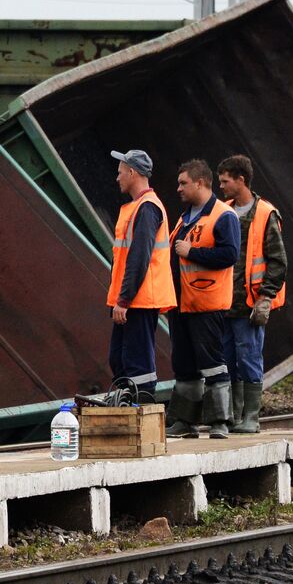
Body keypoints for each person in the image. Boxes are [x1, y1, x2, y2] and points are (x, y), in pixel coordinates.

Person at [166, 159, 240, 438]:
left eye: (183, 183)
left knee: (212, 362)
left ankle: (220, 421)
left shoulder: (223, 216)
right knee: (184, 364)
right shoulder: (186, 217)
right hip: (182, 303)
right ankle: (186, 422)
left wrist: (192, 252)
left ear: (200, 183)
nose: (178, 188)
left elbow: (229, 255)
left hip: (207, 303)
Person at [217, 155, 286, 434]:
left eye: (225, 181)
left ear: (240, 180)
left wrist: (265, 297)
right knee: (227, 360)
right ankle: (234, 416)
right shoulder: (223, 211)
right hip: (224, 303)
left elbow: (278, 261)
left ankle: (251, 417)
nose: (220, 186)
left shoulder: (265, 214)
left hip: (248, 304)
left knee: (248, 359)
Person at [106, 149, 175, 404]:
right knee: (120, 358)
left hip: (140, 299)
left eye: (121, 172)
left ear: (133, 172)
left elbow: (139, 258)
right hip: (134, 298)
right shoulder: (138, 207)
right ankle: (129, 409)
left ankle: (142, 412)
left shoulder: (147, 208)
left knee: (137, 363)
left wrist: (124, 299)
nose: (118, 178)